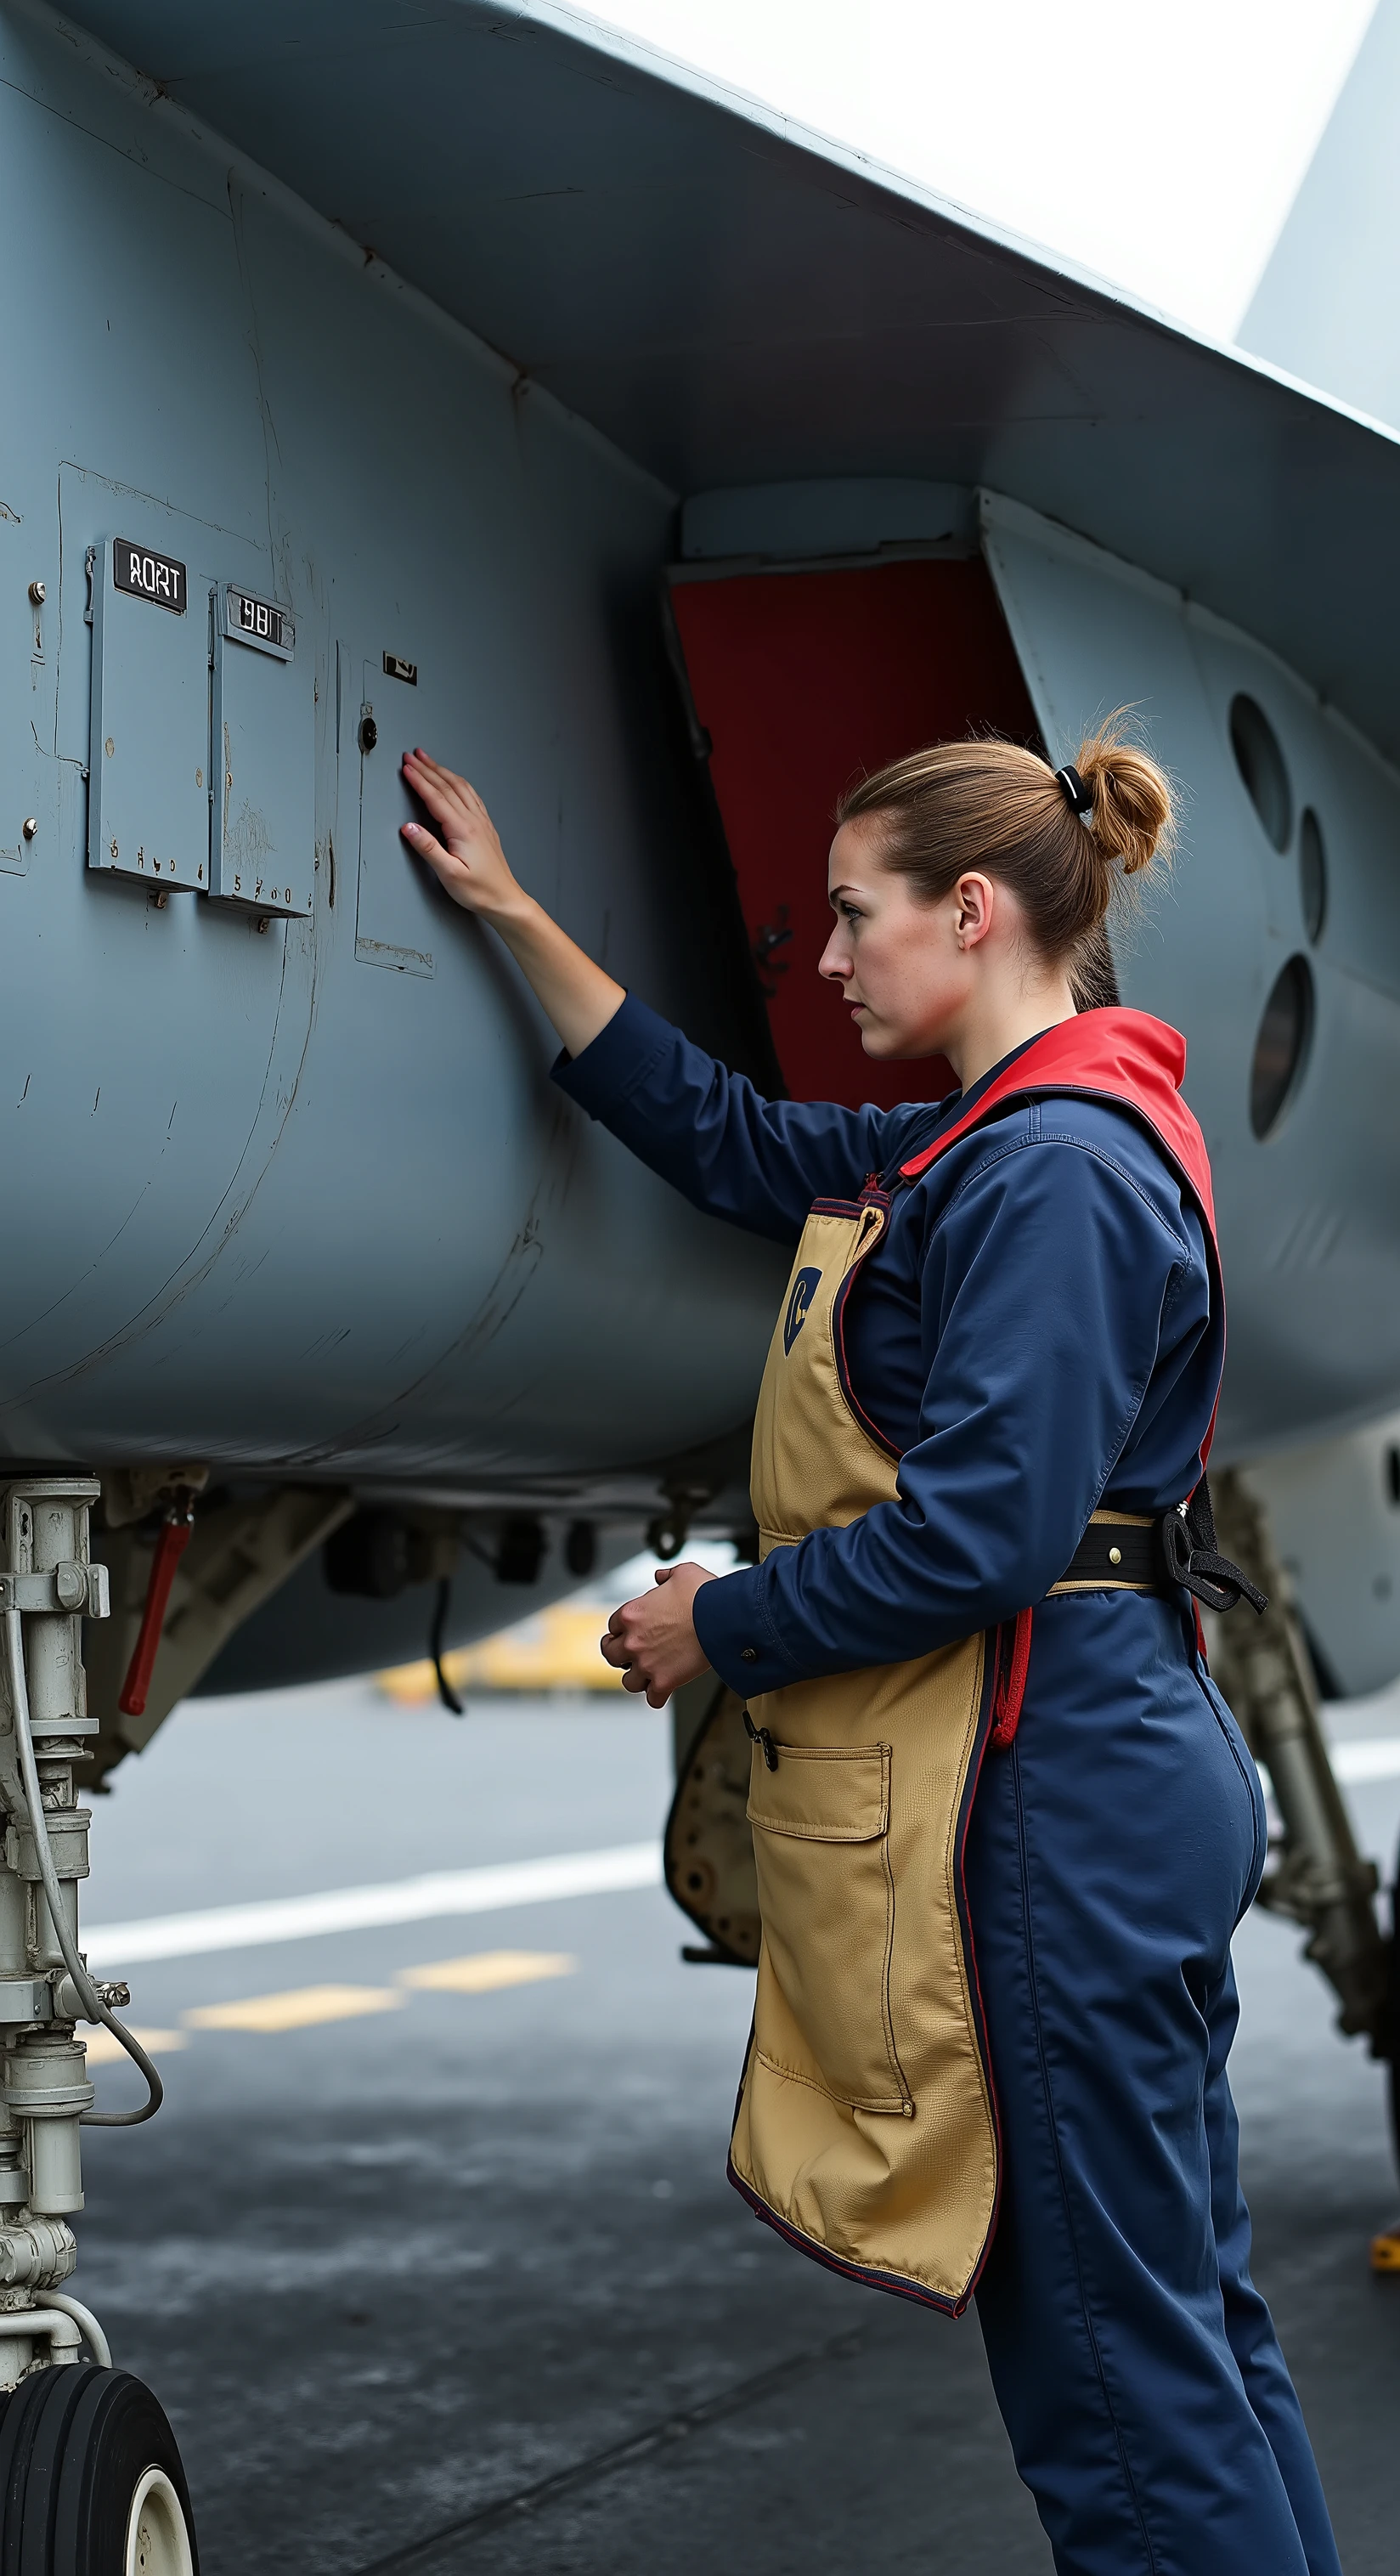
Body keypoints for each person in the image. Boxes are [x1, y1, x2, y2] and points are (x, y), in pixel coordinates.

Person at [398, 726, 1342, 2576]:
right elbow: (739, 1142)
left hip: (1056, 1797)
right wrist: (515, 916)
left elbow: (986, 1532)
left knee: (1114, 2396)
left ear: (970, 912)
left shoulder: (1049, 1173)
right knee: (1189, 2345)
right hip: (1106, 1769)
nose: (822, 961)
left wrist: (718, 1621)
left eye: (853, 916)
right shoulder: (1001, 1140)